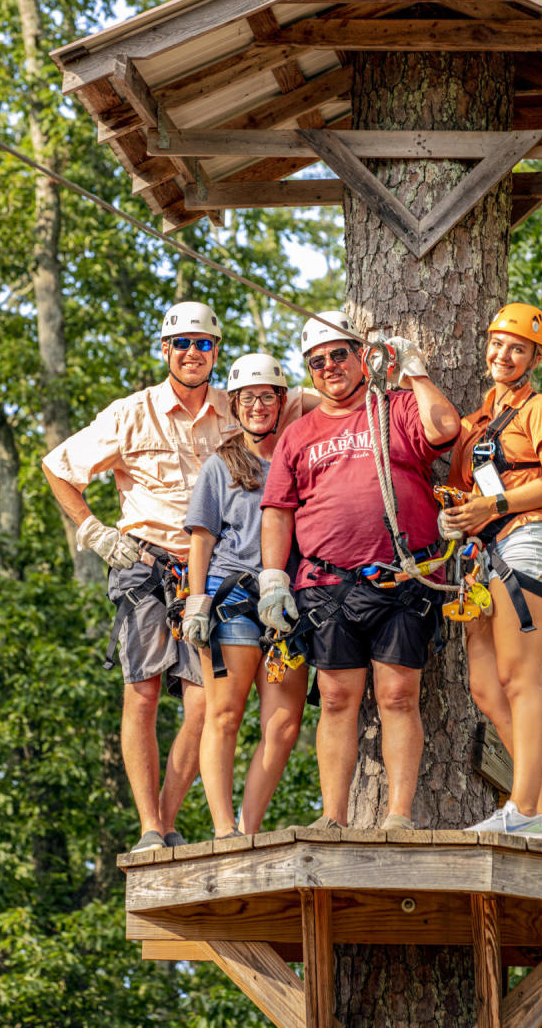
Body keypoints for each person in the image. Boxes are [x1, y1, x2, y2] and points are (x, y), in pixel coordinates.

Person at [42, 302, 315, 853]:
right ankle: (149, 827)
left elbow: (319, 397)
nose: (193, 353)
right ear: (164, 350)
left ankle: (168, 821)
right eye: (182, 344)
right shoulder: (131, 413)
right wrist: (94, 530)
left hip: (208, 573)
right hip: (144, 562)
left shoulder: (238, 403)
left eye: (204, 344)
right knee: (141, 692)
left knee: (202, 705)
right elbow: (57, 465)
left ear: (217, 352)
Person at [258, 311, 461, 831]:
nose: (329, 367)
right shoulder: (298, 435)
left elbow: (445, 429)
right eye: (317, 361)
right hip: (325, 586)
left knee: (397, 695)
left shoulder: (392, 409)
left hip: (399, 577)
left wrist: (414, 371)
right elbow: (279, 511)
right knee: (335, 697)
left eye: (339, 355)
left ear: (360, 357)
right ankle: (332, 817)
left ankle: (397, 815)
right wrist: (273, 578)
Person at [441, 302, 542, 841]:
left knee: (519, 678)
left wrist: (492, 509)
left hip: (524, 542)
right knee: (486, 687)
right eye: (497, 343)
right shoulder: (478, 420)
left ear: (535, 357)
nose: (503, 355)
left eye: (516, 348)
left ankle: (522, 807)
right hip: (481, 558)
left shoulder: (540, 408)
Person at [181, 353, 307, 839]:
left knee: (283, 723)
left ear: (282, 401)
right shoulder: (221, 465)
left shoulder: (300, 456)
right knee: (225, 712)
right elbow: (202, 537)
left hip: (286, 602)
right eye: (247, 398)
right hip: (232, 595)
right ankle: (222, 828)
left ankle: (250, 827)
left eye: (267, 397)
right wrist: (196, 601)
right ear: (234, 405)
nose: (257, 406)